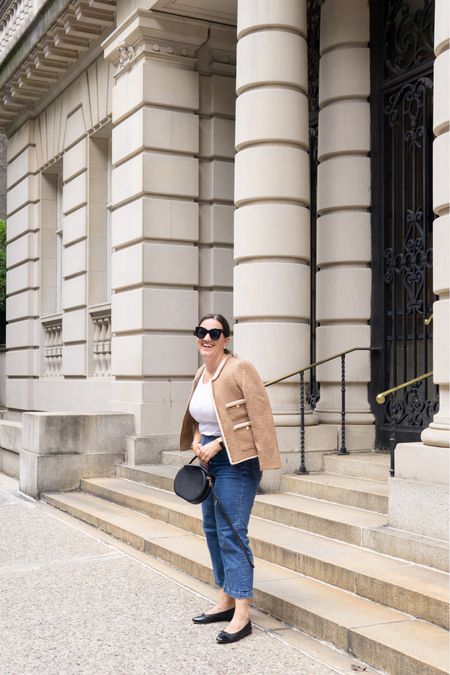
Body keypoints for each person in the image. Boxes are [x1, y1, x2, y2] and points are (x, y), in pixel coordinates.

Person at [179, 313, 281, 644]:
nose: (206, 338)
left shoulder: (240, 369)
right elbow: (199, 418)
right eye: (201, 332)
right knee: (211, 529)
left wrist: (218, 443)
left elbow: (259, 416)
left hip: (237, 462)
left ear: (226, 339)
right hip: (207, 461)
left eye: (214, 333)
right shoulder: (200, 374)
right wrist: (196, 439)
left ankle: (242, 612)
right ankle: (224, 599)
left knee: (232, 533)